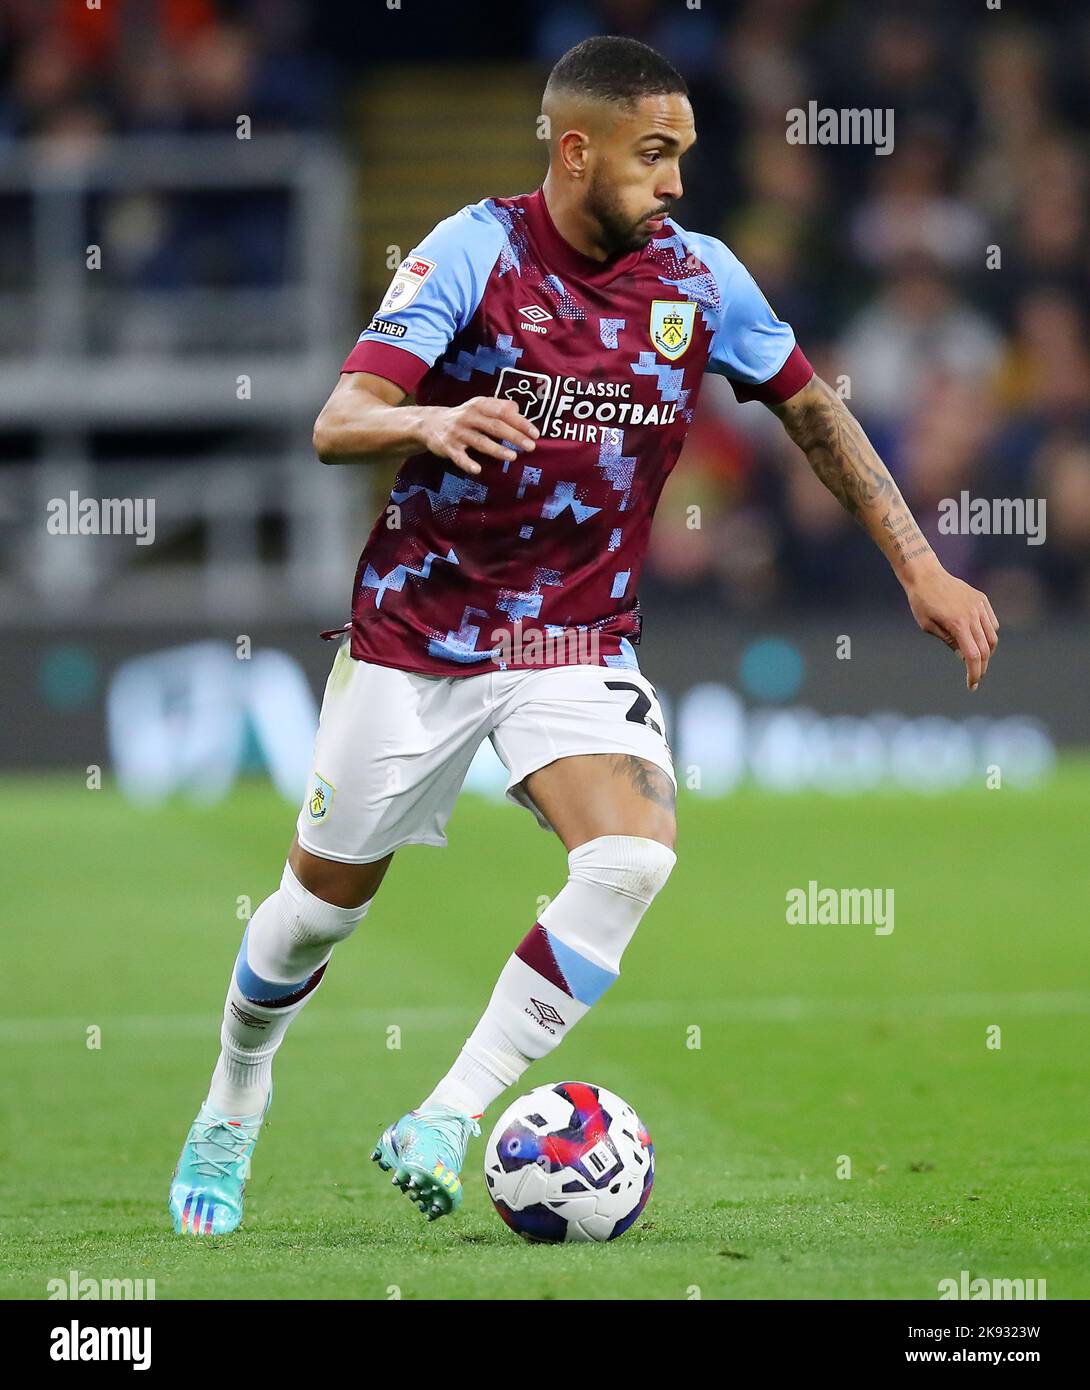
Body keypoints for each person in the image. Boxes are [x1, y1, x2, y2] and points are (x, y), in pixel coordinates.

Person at [169, 34, 998, 1236]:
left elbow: (814, 412)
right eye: (653, 156)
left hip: (576, 642)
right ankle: (232, 1101)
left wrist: (919, 563)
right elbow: (337, 419)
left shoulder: (703, 281)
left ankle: (443, 1117)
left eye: (683, 156)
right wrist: (433, 417)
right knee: (317, 912)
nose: (673, 182)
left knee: (634, 856)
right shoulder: (473, 250)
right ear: (576, 150)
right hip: (419, 635)